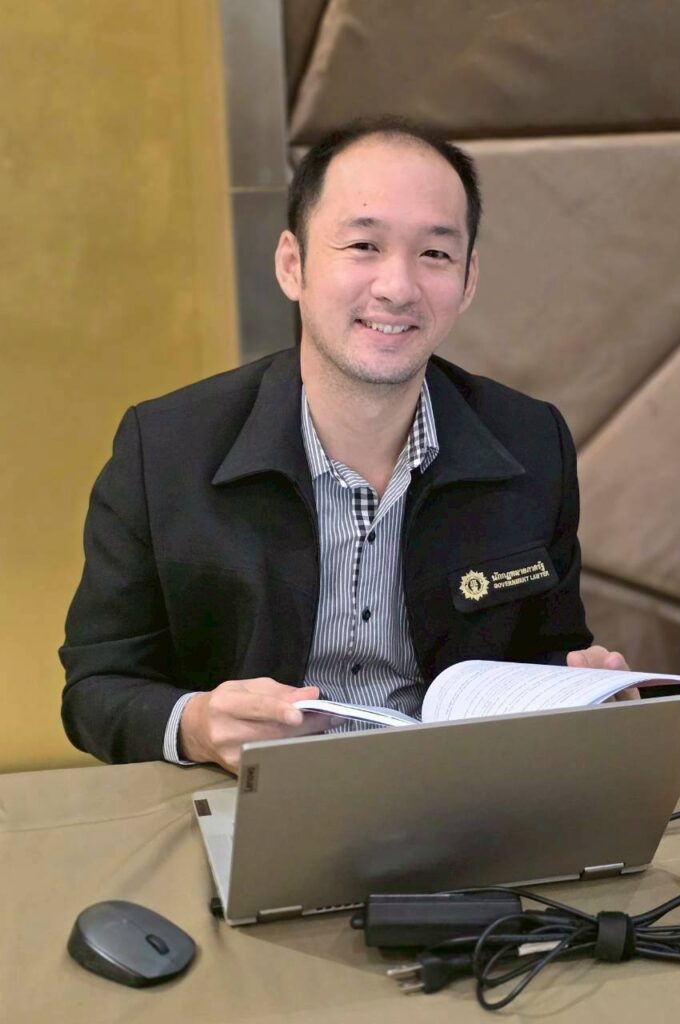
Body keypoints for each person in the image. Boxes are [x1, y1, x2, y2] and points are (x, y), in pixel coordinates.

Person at [60, 117, 630, 773]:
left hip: (461, 794)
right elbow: (96, 687)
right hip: (247, 795)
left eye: (435, 254)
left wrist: (584, 685)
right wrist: (196, 725)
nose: (398, 287)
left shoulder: (532, 443)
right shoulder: (164, 448)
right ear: (292, 264)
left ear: (468, 280)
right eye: (363, 245)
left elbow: (548, 649)